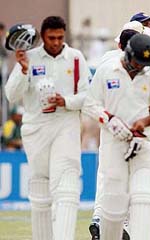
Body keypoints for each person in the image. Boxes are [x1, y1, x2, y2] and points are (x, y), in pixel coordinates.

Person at [5, 16, 91, 240]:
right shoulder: (29, 58)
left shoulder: (75, 57)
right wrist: (23, 70)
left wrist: (67, 101)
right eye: (51, 37)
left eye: (60, 37)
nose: (56, 42)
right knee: (41, 189)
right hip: (36, 128)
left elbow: (89, 96)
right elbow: (11, 96)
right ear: (42, 36)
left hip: (66, 123)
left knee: (67, 185)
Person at [82, 34, 150, 240]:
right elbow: (90, 104)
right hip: (113, 143)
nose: (140, 68)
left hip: (141, 142)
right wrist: (110, 120)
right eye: (137, 62)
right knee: (114, 199)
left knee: (145, 196)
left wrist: (143, 122)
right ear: (128, 54)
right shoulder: (107, 70)